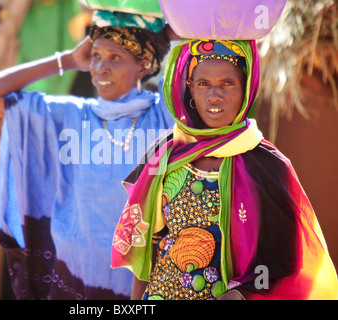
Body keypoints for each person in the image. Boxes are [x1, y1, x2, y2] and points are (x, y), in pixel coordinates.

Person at [111, 39, 338, 300]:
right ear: (191, 90)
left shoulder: (267, 165)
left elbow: (282, 258)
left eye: (227, 83)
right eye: (203, 84)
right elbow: (146, 245)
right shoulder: (164, 153)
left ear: (246, 90)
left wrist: (242, 293)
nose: (214, 95)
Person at [0, 10, 174, 299]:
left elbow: (210, 80)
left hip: (141, 279)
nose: (100, 67)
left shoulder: (163, 116)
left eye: (114, 57)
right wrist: (66, 60)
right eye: (95, 56)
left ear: (142, 65)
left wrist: (164, 36)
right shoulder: (69, 116)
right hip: (75, 274)